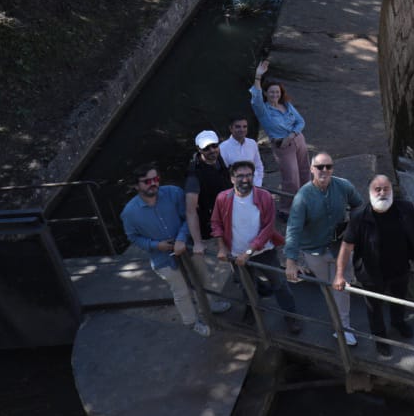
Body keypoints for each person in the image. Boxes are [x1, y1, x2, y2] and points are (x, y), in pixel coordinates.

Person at [120, 161, 230, 337]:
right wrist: (156, 245)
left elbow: (189, 216)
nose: (153, 183)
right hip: (163, 258)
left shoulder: (174, 193)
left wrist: (180, 239)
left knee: (203, 277)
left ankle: (211, 304)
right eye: (147, 181)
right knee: (181, 291)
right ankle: (192, 321)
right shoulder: (129, 213)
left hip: (188, 247)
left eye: (155, 179)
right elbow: (133, 237)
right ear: (135, 185)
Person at [335, 175, 414, 357]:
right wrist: (339, 275)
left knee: (400, 299)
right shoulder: (359, 217)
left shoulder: (404, 208)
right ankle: (380, 338)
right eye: (377, 189)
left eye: (386, 188)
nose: (382, 192)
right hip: (371, 273)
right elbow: (346, 247)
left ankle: (398, 323)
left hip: (400, 268)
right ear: (369, 193)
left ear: (391, 190)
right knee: (374, 308)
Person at [209, 158, 297, 333]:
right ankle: (253, 310)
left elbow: (268, 228)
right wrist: (221, 246)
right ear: (232, 178)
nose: (245, 179)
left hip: (264, 251)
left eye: (249, 175)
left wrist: (249, 251)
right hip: (236, 254)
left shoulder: (264, 197)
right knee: (246, 285)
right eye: (240, 176)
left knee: (279, 283)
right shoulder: (223, 198)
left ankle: (291, 317)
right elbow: (216, 223)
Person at [285, 151, 363, 344]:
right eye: (320, 167)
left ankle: (344, 328)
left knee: (341, 287)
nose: (324, 170)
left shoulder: (343, 186)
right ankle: (340, 323)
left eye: (328, 166)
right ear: (312, 169)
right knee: (327, 288)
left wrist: (352, 228)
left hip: (339, 247)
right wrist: (291, 261)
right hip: (314, 250)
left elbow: (358, 205)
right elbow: (293, 229)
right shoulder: (302, 197)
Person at [249, 61, 310, 193]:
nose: (275, 95)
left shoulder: (286, 105)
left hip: (298, 140)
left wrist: (292, 135)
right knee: (291, 178)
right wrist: (258, 76)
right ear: (266, 94)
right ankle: (287, 209)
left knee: (305, 173)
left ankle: (307, 203)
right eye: (271, 92)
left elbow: (300, 122)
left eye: (277, 92)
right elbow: (256, 97)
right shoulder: (263, 110)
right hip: (283, 145)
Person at [183, 130, 231, 256]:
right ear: (199, 149)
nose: (212, 150)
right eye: (206, 148)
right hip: (214, 224)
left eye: (214, 146)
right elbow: (191, 211)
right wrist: (197, 242)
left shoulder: (220, 159)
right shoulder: (194, 176)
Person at [219, 114, 266, 189]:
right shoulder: (223, 148)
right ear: (231, 128)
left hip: (256, 186)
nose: (242, 130)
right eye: (238, 127)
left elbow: (258, 166)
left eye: (245, 126)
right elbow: (224, 174)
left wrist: (258, 183)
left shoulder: (252, 143)